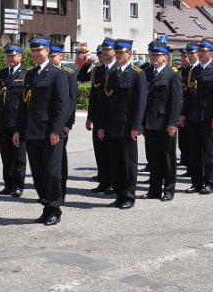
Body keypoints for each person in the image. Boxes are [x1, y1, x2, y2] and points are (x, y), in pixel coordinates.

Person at [13, 38, 71, 225]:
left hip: (49, 133)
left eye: (39, 50)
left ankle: (55, 210)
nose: (35, 54)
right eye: (33, 51)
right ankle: (46, 207)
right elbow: (23, 105)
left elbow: (62, 105)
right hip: (32, 132)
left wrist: (56, 130)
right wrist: (18, 130)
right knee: (38, 174)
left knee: (52, 173)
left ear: (47, 51)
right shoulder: (29, 75)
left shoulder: (57, 74)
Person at [96, 39, 147, 209]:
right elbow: (105, 102)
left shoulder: (137, 74)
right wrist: (101, 126)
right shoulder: (112, 74)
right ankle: (119, 195)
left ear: (129, 54)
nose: (117, 55)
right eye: (116, 52)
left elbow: (140, 103)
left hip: (127, 126)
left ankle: (129, 196)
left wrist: (136, 126)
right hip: (112, 126)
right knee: (115, 163)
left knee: (128, 163)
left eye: (121, 52)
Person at [179, 39, 213, 194]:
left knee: (209, 151)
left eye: (203, 51)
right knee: (194, 151)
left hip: (208, 116)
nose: (200, 53)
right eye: (199, 51)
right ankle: (196, 182)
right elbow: (188, 94)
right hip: (193, 116)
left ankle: (209, 182)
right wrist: (183, 114)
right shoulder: (194, 70)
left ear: (211, 53)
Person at [143, 40, 182, 201]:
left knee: (168, 158)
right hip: (149, 122)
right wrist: (141, 123)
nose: (154, 57)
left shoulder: (173, 74)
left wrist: (173, 123)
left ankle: (169, 189)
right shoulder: (146, 73)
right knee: (153, 159)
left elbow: (177, 101)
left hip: (165, 123)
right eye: (152, 54)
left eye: (157, 55)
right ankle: (154, 190)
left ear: (165, 57)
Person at [79, 38, 116, 194]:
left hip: (113, 117)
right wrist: (89, 117)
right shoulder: (97, 71)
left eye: (105, 52)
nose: (102, 56)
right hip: (99, 116)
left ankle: (114, 182)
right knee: (100, 151)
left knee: (112, 152)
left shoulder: (118, 69)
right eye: (100, 53)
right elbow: (84, 83)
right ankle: (103, 181)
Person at [0, 43, 27, 198]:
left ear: (20, 56)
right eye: (8, 56)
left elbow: (26, 101)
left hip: (18, 121)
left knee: (18, 156)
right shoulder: (2, 74)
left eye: (13, 56)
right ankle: (8, 184)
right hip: (4, 120)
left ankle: (18, 185)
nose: (10, 58)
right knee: (6, 155)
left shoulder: (26, 74)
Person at [48, 42, 79, 197]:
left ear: (61, 56)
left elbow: (71, 101)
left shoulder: (68, 73)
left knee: (59, 157)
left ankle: (61, 188)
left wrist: (68, 124)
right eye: (49, 56)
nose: (50, 58)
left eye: (53, 56)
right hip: (46, 122)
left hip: (61, 123)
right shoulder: (44, 72)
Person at [177, 42, 200, 178]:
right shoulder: (184, 71)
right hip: (184, 110)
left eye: (191, 53)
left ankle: (198, 171)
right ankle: (189, 167)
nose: (189, 56)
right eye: (188, 54)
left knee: (197, 145)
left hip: (198, 112)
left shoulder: (201, 69)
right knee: (185, 142)